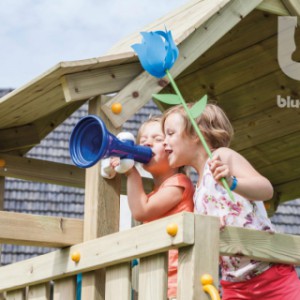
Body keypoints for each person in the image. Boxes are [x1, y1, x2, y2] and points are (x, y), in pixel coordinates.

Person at [162, 103, 300, 300]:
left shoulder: (221, 158)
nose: (164, 142)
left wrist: (233, 182)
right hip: (235, 285)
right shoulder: (197, 187)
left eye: (170, 133)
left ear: (196, 134)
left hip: (270, 274)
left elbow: (266, 189)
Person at [109, 116, 194, 300]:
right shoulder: (153, 194)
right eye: (143, 141)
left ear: (172, 149)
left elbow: (141, 211)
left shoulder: (179, 184)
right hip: (155, 276)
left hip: (177, 280)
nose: (148, 144)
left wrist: (131, 173)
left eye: (157, 139)